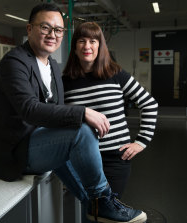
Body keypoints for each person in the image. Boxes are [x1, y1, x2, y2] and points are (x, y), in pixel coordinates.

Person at [0, 3, 147, 223]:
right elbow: (29, 109)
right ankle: (102, 200)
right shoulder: (15, 62)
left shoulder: (51, 65)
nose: (53, 34)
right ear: (29, 29)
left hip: (45, 141)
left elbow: (56, 112)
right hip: (17, 149)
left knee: (77, 136)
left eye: (58, 30)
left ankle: (96, 206)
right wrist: (83, 112)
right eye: (45, 27)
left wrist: (141, 141)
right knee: (81, 130)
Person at [63, 22, 158, 199]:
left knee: (109, 209)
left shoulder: (115, 74)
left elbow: (149, 103)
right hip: (80, 159)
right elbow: (60, 117)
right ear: (75, 46)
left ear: (100, 46)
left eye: (93, 41)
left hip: (115, 159)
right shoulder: (65, 82)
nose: (87, 46)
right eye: (82, 41)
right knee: (87, 211)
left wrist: (141, 141)